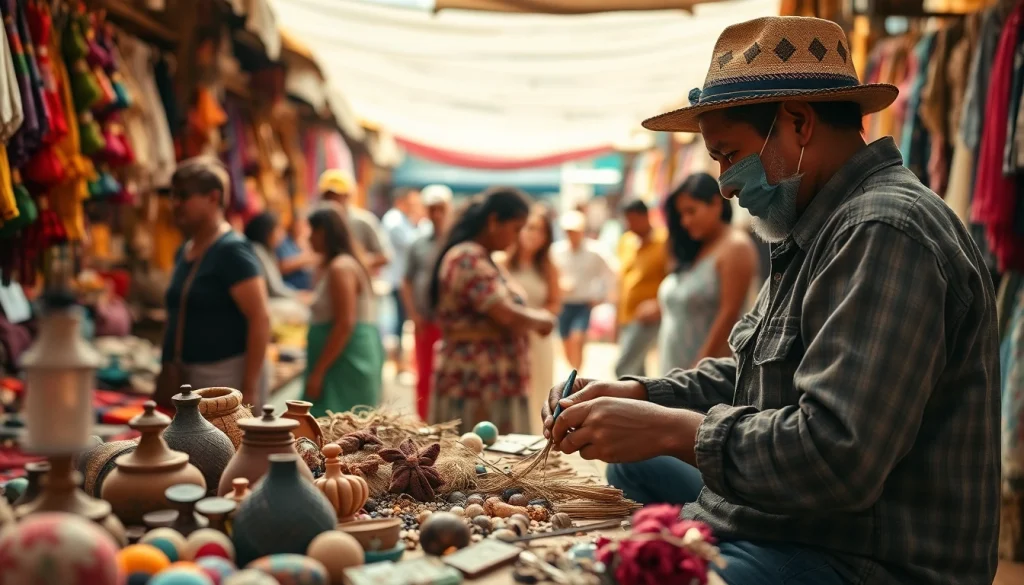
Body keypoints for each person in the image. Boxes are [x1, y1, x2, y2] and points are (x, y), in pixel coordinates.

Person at [542, 17, 998, 585]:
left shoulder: (883, 229)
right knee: (630, 466)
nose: (725, 185)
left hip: (861, 556)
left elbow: (836, 457)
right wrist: (640, 393)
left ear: (799, 123)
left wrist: (672, 430)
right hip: (799, 524)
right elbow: (757, 376)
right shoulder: (817, 225)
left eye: (729, 154)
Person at [429, 187, 555, 434]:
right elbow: (505, 313)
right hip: (476, 381)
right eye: (516, 228)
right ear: (494, 221)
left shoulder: (483, 257)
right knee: (476, 459)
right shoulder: (467, 257)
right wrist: (542, 320)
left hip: (491, 380)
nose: (517, 237)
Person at [163, 156, 271, 407]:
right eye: (173, 196)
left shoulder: (231, 250)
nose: (175, 203)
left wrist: (250, 390)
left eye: (183, 196)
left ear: (213, 197)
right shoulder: (185, 250)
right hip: (189, 375)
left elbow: (260, 317)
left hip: (225, 379)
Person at [644, 173, 757, 372]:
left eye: (691, 211)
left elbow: (729, 315)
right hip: (673, 369)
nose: (685, 221)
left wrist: (698, 370)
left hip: (704, 377)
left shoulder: (735, 247)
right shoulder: (696, 248)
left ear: (715, 204)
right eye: (681, 215)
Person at [301, 202, 384, 417]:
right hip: (339, 359)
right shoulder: (336, 265)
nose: (309, 238)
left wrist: (319, 372)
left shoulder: (341, 267)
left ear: (325, 233)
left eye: (313, 231)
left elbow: (345, 323)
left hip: (344, 361)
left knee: (338, 428)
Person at [505, 206, 562, 435]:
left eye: (540, 231)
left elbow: (554, 304)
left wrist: (536, 320)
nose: (533, 235)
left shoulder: (549, 267)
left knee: (538, 390)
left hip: (538, 338)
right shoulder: (502, 262)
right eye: (530, 228)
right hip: (510, 338)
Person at [400, 184, 453, 420]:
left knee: (450, 376)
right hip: (425, 321)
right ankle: (425, 422)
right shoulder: (417, 243)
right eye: (432, 209)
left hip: (451, 324)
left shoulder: (456, 242)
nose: (437, 215)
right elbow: (407, 281)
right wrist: (414, 315)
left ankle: (448, 422)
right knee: (423, 374)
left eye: (441, 209)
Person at [549, 210, 615, 371]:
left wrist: (601, 297)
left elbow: (611, 273)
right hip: (563, 304)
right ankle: (574, 370)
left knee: (577, 338)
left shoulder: (595, 251)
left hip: (583, 304)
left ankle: (577, 375)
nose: (571, 235)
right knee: (565, 343)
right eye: (568, 231)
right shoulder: (556, 251)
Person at [613, 199, 668, 377]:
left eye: (634, 220)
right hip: (626, 314)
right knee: (637, 371)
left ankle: (628, 404)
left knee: (623, 367)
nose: (631, 225)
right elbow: (622, 280)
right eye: (628, 220)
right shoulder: (626, 241)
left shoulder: (664, 241)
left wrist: (659, 305)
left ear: (646, 217)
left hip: (647, 316)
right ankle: (642, 404)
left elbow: (672, 278)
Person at [382, 187, 424, 375]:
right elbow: (412, 244)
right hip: (397, 279)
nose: (412, 207)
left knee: (401, 320)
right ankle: (397, 361)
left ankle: (399, 360)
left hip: (400, 278)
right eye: (410, 203)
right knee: (399, 321)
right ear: (400, 202)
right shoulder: (395, 220)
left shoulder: (401, 220)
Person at [317, 169, 391, 271]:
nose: (332, 201)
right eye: (328, 196)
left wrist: (357, 263)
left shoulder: (362, 221)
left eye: (337, 196)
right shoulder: (319, 223)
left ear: (347, 196)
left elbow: (385, 256)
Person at [243, 211, 299, 300]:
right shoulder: (258, 250)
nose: (282, 235)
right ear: (266, 232)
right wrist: (298, 297)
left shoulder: (268, 251)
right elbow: (275, 290)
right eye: (278, 230)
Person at [275, 214, 316, 291]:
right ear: (292, 225)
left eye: (304, 225)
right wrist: (307, 259)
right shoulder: (283, 242)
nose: (301, 228)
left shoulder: (306, 241)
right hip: (292, 287)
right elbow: (282, 267)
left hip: (309, 288)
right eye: (298, 224)